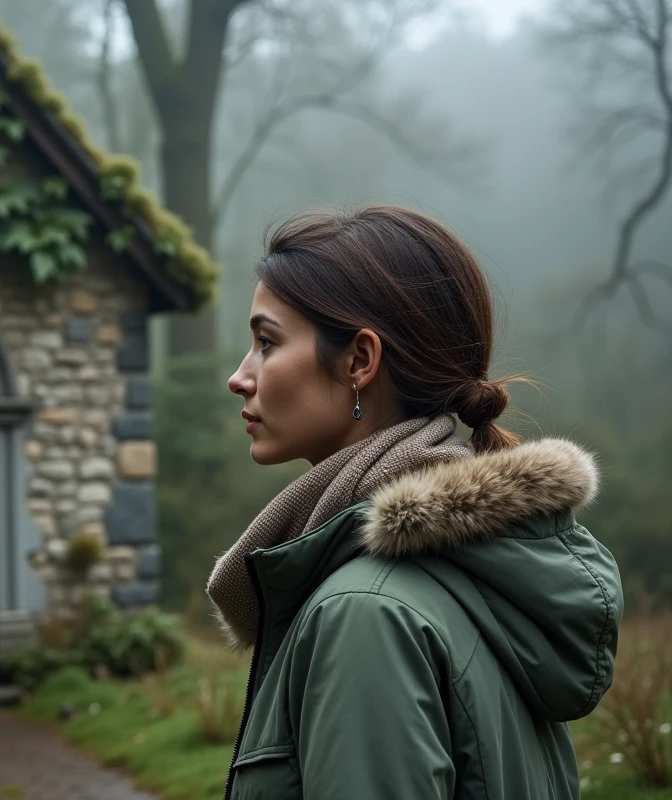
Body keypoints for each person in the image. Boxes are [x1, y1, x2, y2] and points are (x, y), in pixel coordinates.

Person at [210, 205, 623, 799]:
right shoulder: (483, 579)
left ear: (359, 361)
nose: (240, 376)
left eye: (266, 342)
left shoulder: (364, 615)